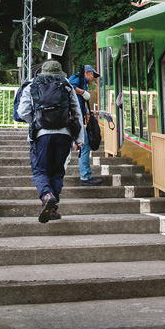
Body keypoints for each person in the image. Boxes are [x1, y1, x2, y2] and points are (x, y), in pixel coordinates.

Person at [17, 59, 84, 222]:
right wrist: (79, 138)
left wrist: (36, 120)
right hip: (64, 134)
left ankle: (47, 195)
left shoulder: (32, 84)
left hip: (41, 135)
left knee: (40, 170)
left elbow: (22, 112)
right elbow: (77, 111)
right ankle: (53, 209)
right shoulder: (66, 84)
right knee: (57, 171)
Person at [68, 64, 103, 186]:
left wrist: (96, 113)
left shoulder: (83, 84)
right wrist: (83, 92)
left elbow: (82, 109)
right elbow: (69, 86)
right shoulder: (78, 78)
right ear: (87, 73)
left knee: (84, 146)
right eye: (93, 75)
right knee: (85, 146)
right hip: (74, 120)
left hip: (77, 119)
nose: (93, 78)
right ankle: (86, 177)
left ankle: (86, 176)